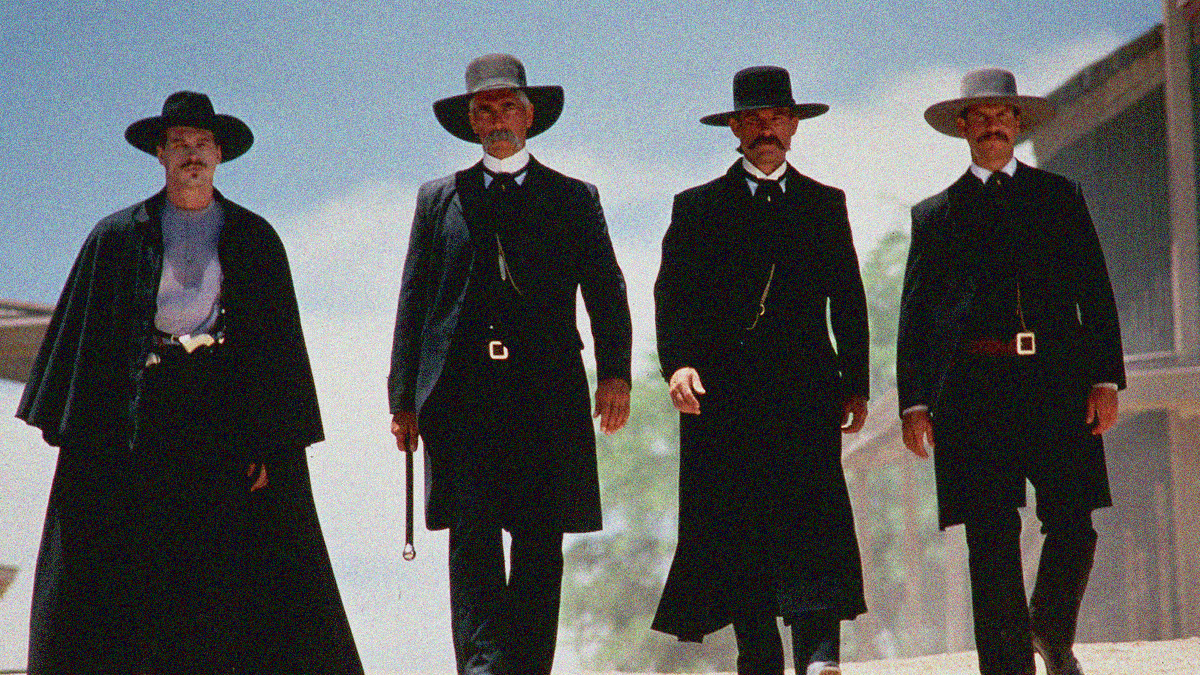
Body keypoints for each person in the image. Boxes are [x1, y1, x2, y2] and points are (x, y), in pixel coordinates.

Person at [17, 91, 363, 675]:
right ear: (160, 154)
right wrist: (90, 443)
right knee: (131, 579)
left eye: (201, 144)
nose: (191, 155)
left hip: (220, 423)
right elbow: (86, 350)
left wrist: (270, 446)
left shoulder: (255, 238)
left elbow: (277, 356)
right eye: (179, 144)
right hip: (139, 421)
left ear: (220, 154)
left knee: (231, 579)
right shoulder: (117, 238)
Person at [388, 53, 632, 675]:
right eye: (484, 109)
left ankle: (527, 667)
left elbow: (606, 289)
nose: (496, 119)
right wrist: (402, 400)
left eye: (506, 107)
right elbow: (414, 300)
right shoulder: (439, 200)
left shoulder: (575, 198)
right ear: (471, 121)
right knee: (471, 538)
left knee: (538, 540)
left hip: (545, 393)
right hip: (460, 396)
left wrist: (615, 375)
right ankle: (481, 667)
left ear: (529, 116)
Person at [897, 69, 1125, 675]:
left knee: (1074, 523)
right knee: (990, 539)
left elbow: (1095, 291)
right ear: (963, 128)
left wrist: (1105, 378)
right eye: (981, 115)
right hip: (973, 393)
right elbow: (914, 314)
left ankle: (1049, 627)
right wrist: (913, 402)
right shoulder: (936, 215)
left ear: (1018, 125)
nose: (993, 124)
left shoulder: (1059, 197)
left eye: (1005, 114)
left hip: (1058, 382)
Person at [651, 65, 870, 675]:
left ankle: (821, 657)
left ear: (794, 125)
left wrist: (856, 383)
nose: (764, 129)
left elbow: (847, 300)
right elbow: (671, 299)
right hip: (721, 397)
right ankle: (759, 656)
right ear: (735, 130)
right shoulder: (696, 208)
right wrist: (679, 365)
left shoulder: (826, 204)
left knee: (814, 519)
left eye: (775, 117)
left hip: (806, 392)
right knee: (735, 526)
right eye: (751, 119)